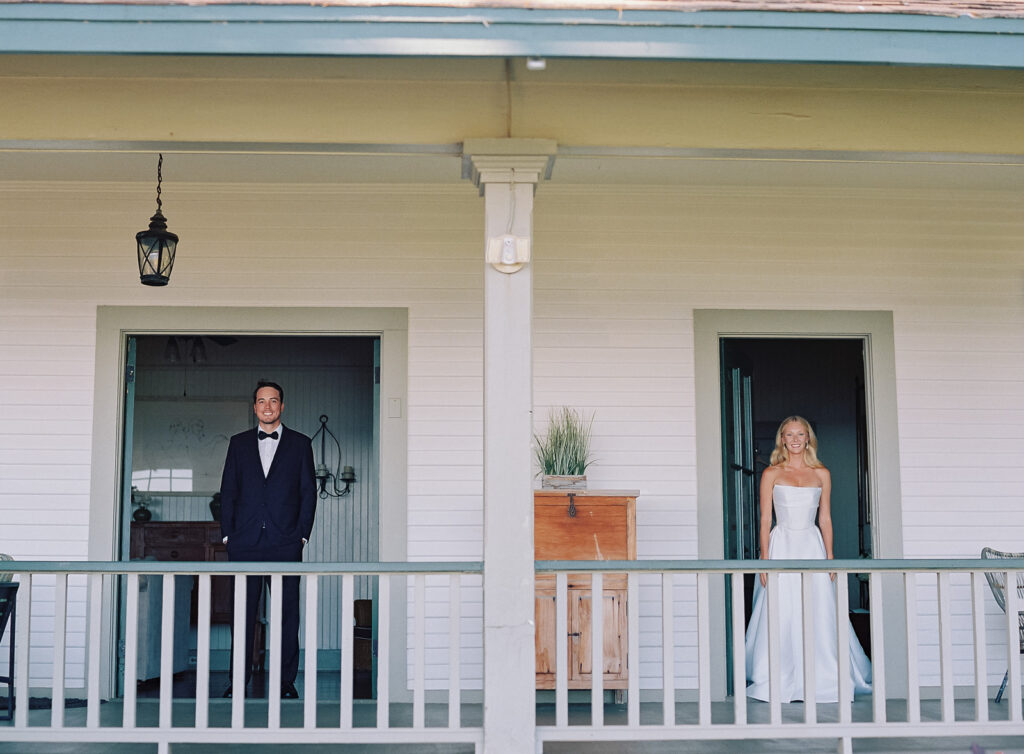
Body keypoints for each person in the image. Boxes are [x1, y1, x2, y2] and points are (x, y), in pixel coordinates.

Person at [744, 415, 871, 703]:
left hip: (811, 544)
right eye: (789, 435)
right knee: (783, 607)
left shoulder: (821, 473)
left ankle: (824, 675)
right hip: (782, 545)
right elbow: (765, 519)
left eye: (801, 434)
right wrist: (764, 559)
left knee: (818, 606)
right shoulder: (771, 474)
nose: (796, 440)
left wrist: (830, 557)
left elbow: (825, 517)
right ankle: (778, 674)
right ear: (782, 440)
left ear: (808, 438)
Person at [219, 381, 317, 699]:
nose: (268, 407)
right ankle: (238, 682)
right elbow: (229, 491)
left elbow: (307, 493)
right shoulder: (238, 443)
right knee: (242, 614)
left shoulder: (301, 444)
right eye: (262, 401)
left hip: (285, 542)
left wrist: (301, 535)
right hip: (244, 543)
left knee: (287, 615)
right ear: (255, 407)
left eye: (273, 401)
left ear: (282, 406)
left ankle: (286, 683)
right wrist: (227, 534)